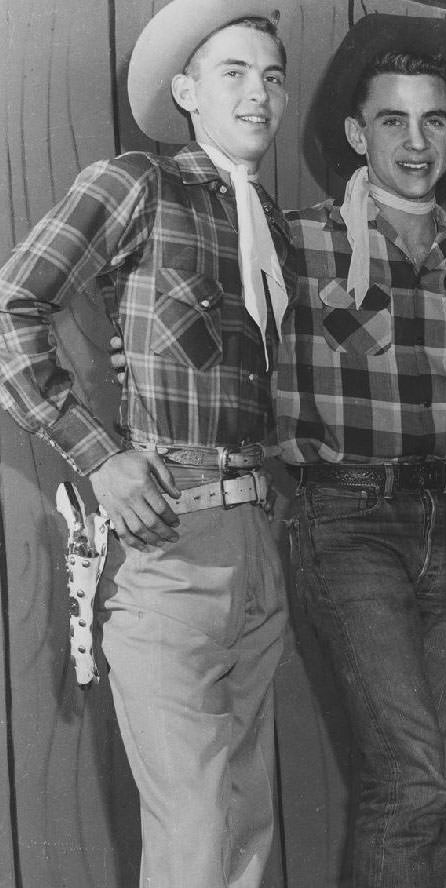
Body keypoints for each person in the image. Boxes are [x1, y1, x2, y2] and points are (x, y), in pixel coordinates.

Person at [0, 1, 291, 886]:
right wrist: (100, 454)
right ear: (186, 91)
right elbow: (10, 312)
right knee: (197, 833)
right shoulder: (135, 182)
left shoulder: (269, 222)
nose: (259, 94)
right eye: (234, 72)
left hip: (258, 545)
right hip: (170, 549)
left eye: (273, 76)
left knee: (246, 826)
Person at [277, 16, 446, 888]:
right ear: (358, 133)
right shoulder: (301, 244)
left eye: (434, 121)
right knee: (411, 780)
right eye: (393, 120)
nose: (416, 142)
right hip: (344, 521)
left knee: (433, 785)